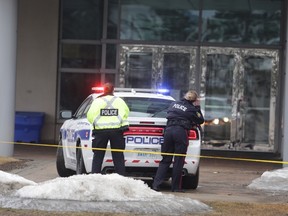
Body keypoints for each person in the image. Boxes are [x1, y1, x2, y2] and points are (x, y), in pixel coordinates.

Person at [152, 90, 204, 192]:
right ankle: (175, 187)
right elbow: (200, 120)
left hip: (168, 131)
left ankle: (156, 185)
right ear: (194, 100)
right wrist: (197, 108)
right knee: (179, 161)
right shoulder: (191, 109)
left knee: (165, 160)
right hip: (180, 132)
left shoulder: (173, 104)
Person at [87, 83, 130, 175]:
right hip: (117, 131)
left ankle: (95, 177)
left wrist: (97, 124)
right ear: (113, 90)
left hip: (100, 132)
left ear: (104, 90)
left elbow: (89, 116)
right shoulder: (120, 101)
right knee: (118, 156)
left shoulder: (97, 101)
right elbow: (126, 113)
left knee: (98, 155)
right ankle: (120, 177)